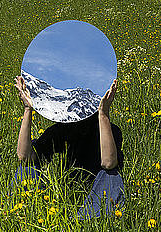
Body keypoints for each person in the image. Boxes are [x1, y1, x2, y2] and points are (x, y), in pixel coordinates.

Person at [13, 76, 125, 219]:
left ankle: (86, 221)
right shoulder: (62, 130)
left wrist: (103, 114)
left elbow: (108, 164)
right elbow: (25, 157)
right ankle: (27, 213)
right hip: (68, 188)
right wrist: (28, 109)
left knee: (111, 176)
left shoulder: (112, 130)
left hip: (98, 189)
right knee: (27, 169)